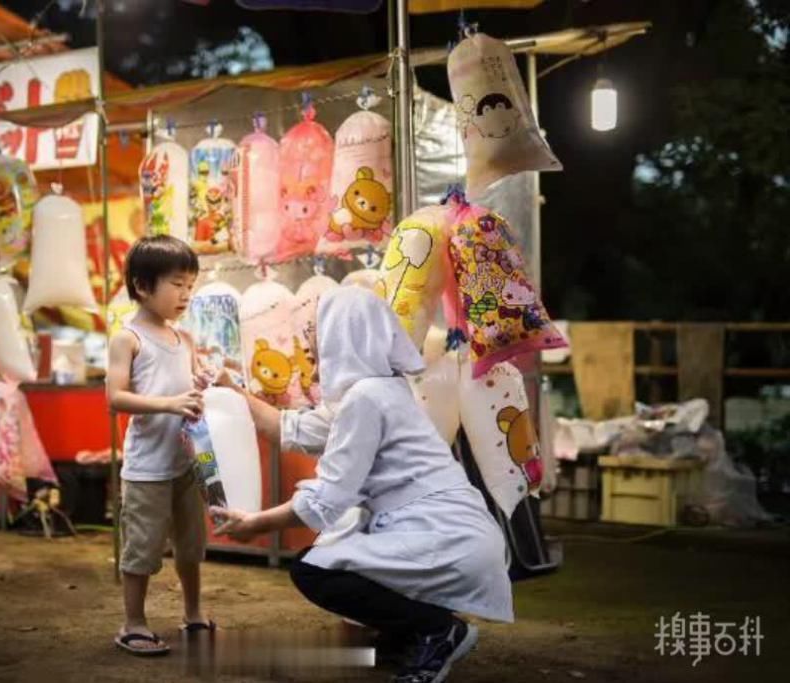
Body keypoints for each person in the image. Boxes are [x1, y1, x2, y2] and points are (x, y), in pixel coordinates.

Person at [213, 287, 513, 683]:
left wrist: (254, 523)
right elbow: (287, 428)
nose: (314, 348)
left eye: (318, 336)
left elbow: (325, 502)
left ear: (343, 335)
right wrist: (230, 390)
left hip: (444, 537)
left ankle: (437, 631)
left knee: (315, 570)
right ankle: (410, 633)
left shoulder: (364, 400)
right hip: (456, 532)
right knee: (340, 554)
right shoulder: (381, 390)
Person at [107, 235, 215, 656]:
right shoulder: (128, 337)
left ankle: (193, 613)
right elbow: (115, 398)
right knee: (142, 548)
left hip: (187, 462)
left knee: (191, 545)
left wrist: (202, 382)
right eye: (176, 284)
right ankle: (133, 623)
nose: (186, 294)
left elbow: (189, 387)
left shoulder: (183, 339)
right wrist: (170, 403)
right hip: (147, 467)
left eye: (191, 284)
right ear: (142, 285)